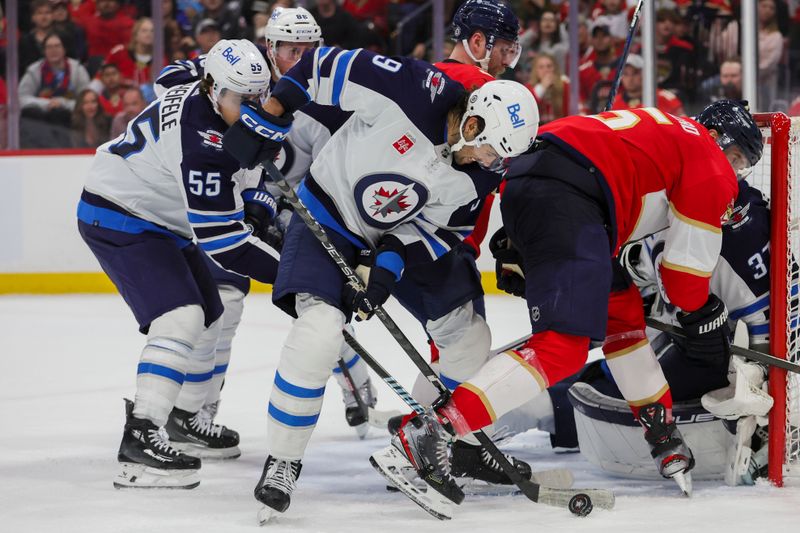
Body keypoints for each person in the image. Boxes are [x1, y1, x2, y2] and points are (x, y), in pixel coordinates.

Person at [385, 100, 763, 511]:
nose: (736, 170)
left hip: (536, 183)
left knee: (622, 315)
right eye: (738, 156)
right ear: (718, 139)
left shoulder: (664, 126)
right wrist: (705, 313)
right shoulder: (710, 162)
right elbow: (684, 281)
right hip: (572, 199)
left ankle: (661, 433)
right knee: (563, 348)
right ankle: (433, 430)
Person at [221, 44, 538, 516]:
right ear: (472, 124)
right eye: (490, 152)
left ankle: (425, 442)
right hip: (325, 214)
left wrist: (387, 265)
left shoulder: (482, 173)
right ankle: (283, 459)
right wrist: (269, 116)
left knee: (469, 336)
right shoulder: (412, 88)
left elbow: (439, 229)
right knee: (319, 332)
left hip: (395, 237)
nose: (491, 167)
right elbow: (321, 66)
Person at [77, 39, 280, 488]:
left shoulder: (204, 84)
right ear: (212, 89)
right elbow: (225, 244)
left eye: (257, 99)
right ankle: (141, 441)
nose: (251, 110)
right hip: (119, 215)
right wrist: (292, 278)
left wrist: (256, 202)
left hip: (159, 219)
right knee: (181, 317)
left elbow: (173, 72)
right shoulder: (202, 142)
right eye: (240, 100)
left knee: (211, 315)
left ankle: (181, 421)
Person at [497, 177, 773, 485]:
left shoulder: (736, 243)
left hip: (678, 367)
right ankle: (469, 421)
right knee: (574, 375)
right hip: (653, 352)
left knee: (563, 394)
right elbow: (630, 273)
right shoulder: (667, 214)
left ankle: (473, 428)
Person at [19, 32, 91, 147]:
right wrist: (47, 104)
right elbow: (21, 98)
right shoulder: (34, 70)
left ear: (64, 49)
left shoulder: (77, 69)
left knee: (59, 113)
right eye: (49, 47)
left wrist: (63, 103)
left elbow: (87, 99)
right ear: (44, 51)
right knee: (30, 113)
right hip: (41, 115)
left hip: (68, 115)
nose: (53, 50)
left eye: (57, 46)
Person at [611, 54, 685, 116]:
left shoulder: (665, 98)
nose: (630, 79)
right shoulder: (614, 103)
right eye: (625, 74)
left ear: (645, 73)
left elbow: (682, 124)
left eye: (635, 73)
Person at [103, 17, 156, 89]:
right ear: (135, 35)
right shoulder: (119, 53)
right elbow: (101, 76)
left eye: (152, 31)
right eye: (144, 31)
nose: (149, 34)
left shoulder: (160, 58)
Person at [527, 53, 570, 124]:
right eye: (541, 67)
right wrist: (542, 87)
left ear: (554, 69)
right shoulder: (529, 88)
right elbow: (527, 108)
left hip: (560, 128)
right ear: (536, 71)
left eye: (549, 66)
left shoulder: (565, 85)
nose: (546, 70)